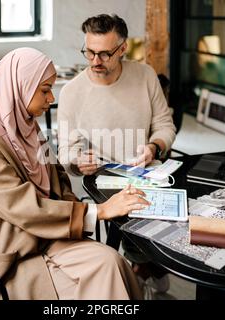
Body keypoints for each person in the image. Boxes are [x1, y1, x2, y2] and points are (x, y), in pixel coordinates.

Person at [0, 48, 147, 300]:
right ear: (19, 86)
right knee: (103, 275)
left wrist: (74, 211)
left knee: (112, 262)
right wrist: (99, 211)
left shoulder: (26, 126)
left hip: (40, 236)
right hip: (9, 255)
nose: (51, 98)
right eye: (44, 90)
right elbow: (21, 206)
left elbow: (58, 177)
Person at [57, 14, 177, 296]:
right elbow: (65, 151)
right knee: (138, 217)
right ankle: (143, 266)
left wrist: (154, 147)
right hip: (104, 179)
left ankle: (148, 266)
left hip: (149, 170)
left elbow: (164, 125)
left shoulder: (145, 75)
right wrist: (77, 160)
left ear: (122, 48)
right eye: (89, 52)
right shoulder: (72, 92)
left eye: (104, 54)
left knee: (182, 212)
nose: (95, 61)